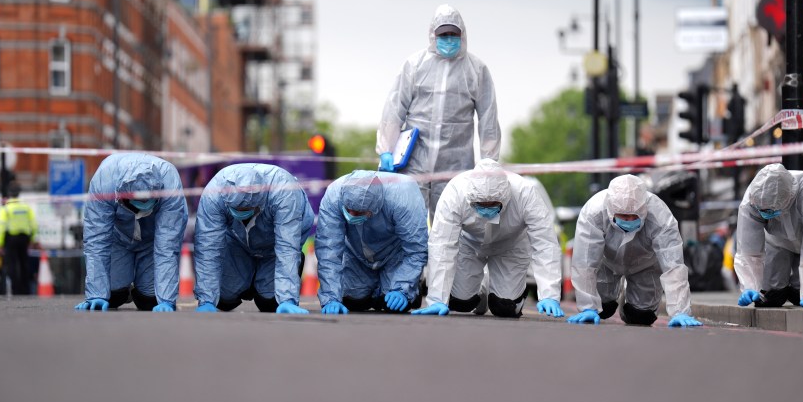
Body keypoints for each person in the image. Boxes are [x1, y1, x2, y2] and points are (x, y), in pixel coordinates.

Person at [376, 4, 502, 220]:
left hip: (455, 167)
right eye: (443, 34)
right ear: (432, 35)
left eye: (453, 34)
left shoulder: (476, 69)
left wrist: (488, 163)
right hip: (414, 163)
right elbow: (394, 108)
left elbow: (488, 120)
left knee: (452, 227)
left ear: (462, 35)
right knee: (408, 223)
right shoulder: (415, 65)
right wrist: (386, 149)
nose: (449, 39)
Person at [412, 158, 564, 319]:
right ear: (471, 197)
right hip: (469, 244)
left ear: (505, 196)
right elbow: (442, 244)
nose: (486, 211)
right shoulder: (455, 192)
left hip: (510, 245)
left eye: (492, 205)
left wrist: (549, 294)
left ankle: (509, 293)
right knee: (460, 303)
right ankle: (481, 288)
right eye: (480, 205)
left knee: (505, 308)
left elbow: (545, 244)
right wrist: (437, 298)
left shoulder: (525, 193)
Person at [567, 174, 702, 328]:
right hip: (606, 263)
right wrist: (587, 306)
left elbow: (673, 265)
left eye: (634, 216)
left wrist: (680, 311)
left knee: (641, 317)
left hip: (646, 264)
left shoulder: (660, 216)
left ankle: (629, 297)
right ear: (610, 209)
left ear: (644, 208)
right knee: (602, 310)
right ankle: (611, 297)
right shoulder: (593, 212)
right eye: (623, 216)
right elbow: (585, 262)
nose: (629, 221)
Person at [192, 164, 315, 314]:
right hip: (238, 241)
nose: (241, 213)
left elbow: (287, 247)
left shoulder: (285, 192)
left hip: (274, 244)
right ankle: (247, 279)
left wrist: (287, 299)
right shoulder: (215, 193)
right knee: (223, 300)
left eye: (247, 210)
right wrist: (206, 300)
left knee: (270, 305)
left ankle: (267, 285)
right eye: (237, 210)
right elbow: (208, 246)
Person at [76, 153, 187, 312]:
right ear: (120, 197)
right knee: (112, 297)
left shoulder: (169, 184)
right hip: (119, 237)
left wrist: (167, 300)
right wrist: (96, 295)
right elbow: (96, 241)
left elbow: (167, 247)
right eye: (136, 205)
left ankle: (140, 289)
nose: (141, 210)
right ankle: (123, 290)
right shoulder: (104, 183)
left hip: (152, 239)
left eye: (147, 203)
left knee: (150, 302)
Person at [315, 170, 428, 314]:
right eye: (349, 210)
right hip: (356, 254)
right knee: (353, 302)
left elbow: (416, 248)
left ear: (376, 206)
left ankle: (413, 288)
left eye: (360, 213)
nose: (352, 217)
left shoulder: (404, 196)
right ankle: (374, 290)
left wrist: (403, 287)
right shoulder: (334, 196)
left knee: (392, 306)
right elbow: (328, 250)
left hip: (394, 253)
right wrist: (331, 298)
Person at [734, 163, 803, 309]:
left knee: (800, 294)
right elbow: (748, 249)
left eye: (770, 210)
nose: (765, 213)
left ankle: (799, 291)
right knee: (771, 295)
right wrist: (749, 285)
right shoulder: (752, 199)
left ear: (789, 197)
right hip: (777, 238)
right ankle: (782, 291)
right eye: (763, 210)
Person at [0, 182, 39, 295]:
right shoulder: (26, 207)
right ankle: (25, 289)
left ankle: (15, 290)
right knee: (24, 263)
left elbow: (1, 226)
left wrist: (0, 243)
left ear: (9, 194)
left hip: (11, 238)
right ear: (19, 193)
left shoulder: (6, 208)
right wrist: (33, 239)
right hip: (24, 238)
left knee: (12, 264)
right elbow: (33, 224)